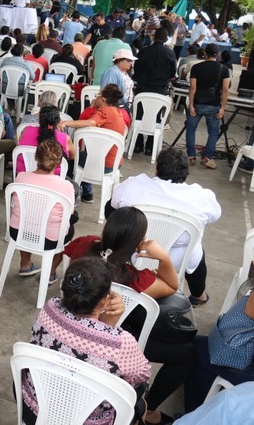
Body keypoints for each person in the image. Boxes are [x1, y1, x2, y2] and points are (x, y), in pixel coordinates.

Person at [58, 207, 189, 424]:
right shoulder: (135, 280)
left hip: (71, 325)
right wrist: (164, 258)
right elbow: (171, 285)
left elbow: (66, 249)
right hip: (105, 342)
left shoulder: (84, 244)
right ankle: (150, 410)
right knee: (187, 355)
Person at [21, 256, 150, 425]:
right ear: (104, 301)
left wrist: (107, 323)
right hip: (85, 421)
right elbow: (141, 376)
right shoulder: (121, 343)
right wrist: (110, 323)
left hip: (33, 409)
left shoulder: (49, 308)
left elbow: (84, 335)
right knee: (140, 403)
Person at [108, 147, 219, 306]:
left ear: (156, 168)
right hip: (177, 260)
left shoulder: (133, 185)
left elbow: (113, 204)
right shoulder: (202, 196)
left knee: (114, 211)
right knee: (195, 245)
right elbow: (215, 216)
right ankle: (198, 294)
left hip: (134, 253)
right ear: (186, 173)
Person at [10, 139, 75, 277]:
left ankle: (25, 263)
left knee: (27, 217)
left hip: (18, 232)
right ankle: (50, 272)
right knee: (70, 225)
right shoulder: (66, 186)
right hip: (50, 240)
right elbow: (69, 213)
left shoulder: (21, 177)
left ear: (35, 157)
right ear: (59, 163)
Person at [59, 84, 127, 203]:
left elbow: (90, 122)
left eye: (97, 96)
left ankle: (71, 193)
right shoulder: (118, 112)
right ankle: (86, 192)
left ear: (103, 99)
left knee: (70, 157)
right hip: (115, 163)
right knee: (86, 155)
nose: (95, 98)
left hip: (102, 163)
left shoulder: (104, 111)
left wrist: (66, 123)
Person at [133, 28, 177, 155]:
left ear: (153, 37)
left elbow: (136, 69)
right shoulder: (169, 53)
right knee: (156, 117)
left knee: (140, 115)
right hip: (159, 91)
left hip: (142, 90)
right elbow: (172, 74)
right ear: (166, 39)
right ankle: (150, 147)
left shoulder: (143, 52)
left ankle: (137, 145)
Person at [186, 43, 229, 169]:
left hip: (197, 104)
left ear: (204, 53)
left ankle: (191, 156)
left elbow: (192, 87)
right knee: (213, 132)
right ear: (218, 54)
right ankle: (207, 158)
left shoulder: (196, 67)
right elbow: (225, 90)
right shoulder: (224, 69)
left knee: (191, 129)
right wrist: (222, 108)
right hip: (214, 106)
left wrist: (191, 105)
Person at [15, 105, 75, 174]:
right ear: (58, 121)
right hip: (53, 178)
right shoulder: (65, 138)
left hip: (23, 174)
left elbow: (18, 147)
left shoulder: (26, 130)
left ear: (39, 120)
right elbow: (71, 157)